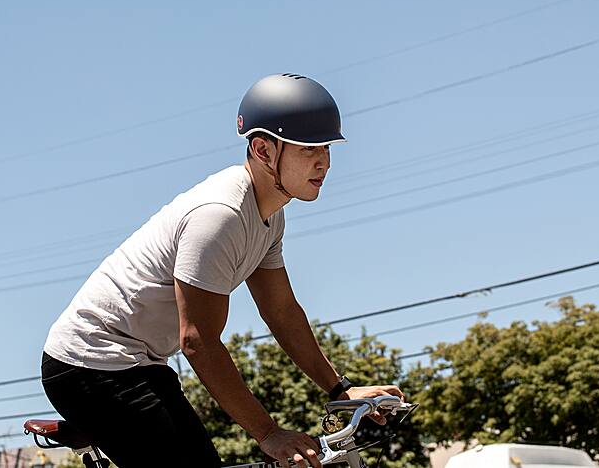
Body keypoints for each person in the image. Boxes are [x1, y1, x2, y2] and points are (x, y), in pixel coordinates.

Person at [40, 73, 403, 468]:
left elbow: (282, 312)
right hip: (90, 362)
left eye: (327, 148)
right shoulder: (220, 215)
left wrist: (340, 390)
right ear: (263, 150)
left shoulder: (269, 216)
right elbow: (198, 340)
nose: (324, 162)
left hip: (139, 362)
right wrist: (269, 433)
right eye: (308, 149)